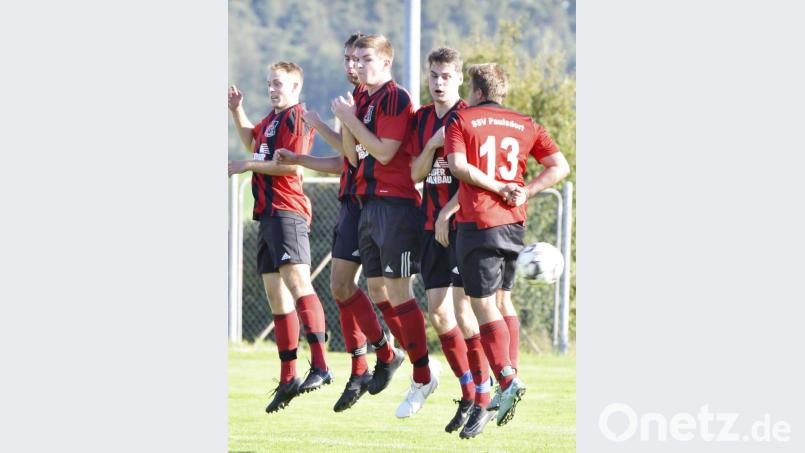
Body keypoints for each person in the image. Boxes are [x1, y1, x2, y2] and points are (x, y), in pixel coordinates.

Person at [275, 33, 400, 413]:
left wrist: (335, 124)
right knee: (341, 286)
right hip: (351, 200)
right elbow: (345, 160)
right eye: (347, 59)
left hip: (377, 203)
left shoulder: (382, 100)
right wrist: (302, 157)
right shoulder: (354, 101)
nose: (351, 66)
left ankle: (393, 357)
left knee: (380, 290)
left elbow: (370, 154)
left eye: (357, 59)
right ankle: (366, 364)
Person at [445, 63, 570, 428]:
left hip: (479, 222)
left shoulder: (462, 120)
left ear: (478, 91)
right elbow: (559, 166)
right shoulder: (526, 123)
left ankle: (506, 378)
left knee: (481, 304)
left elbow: (457, 166)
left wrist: (497, 188)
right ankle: (508, 374)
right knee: (502, 300)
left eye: (469, 87)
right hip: (514, 222)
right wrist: (524, 190)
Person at [332, 34, 439, 418]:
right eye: (355, 60)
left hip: (396, 206)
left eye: (365, 59)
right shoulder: (361, 99)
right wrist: (346, 122)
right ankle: (404, 362)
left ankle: (423, 374)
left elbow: (384, 151)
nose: (357, 66)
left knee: (399, 293)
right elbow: (352, 156)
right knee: (379, 290)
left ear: (385, 63)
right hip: (367, 204)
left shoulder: (396, 97)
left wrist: (349, 120)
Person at [227, 62, 332, 413]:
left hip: (287, 211)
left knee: (298, 282)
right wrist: (236, 110)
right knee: (276, 295)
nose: (273, 89)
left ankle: (320, 364)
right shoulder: (271, 120)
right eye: (270, 83)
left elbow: (292, 166)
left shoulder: (295, 118)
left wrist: (249, 165)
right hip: (268, 215)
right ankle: (288, 377)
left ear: (295, 87)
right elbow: (251, 141)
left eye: (279, 84)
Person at [409, 47, 493, 437]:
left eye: (446, 76)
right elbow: (414, 173)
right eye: (433, 75)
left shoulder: (470, 117)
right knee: (439, 315)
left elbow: (474, 174)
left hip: (462, 226)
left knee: (464, 314)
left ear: (458, 78)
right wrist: (431, 145)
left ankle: (483, 395)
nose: (438, 82)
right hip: (430, 228)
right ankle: (465, 392)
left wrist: (448, 212)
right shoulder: (423, 119)